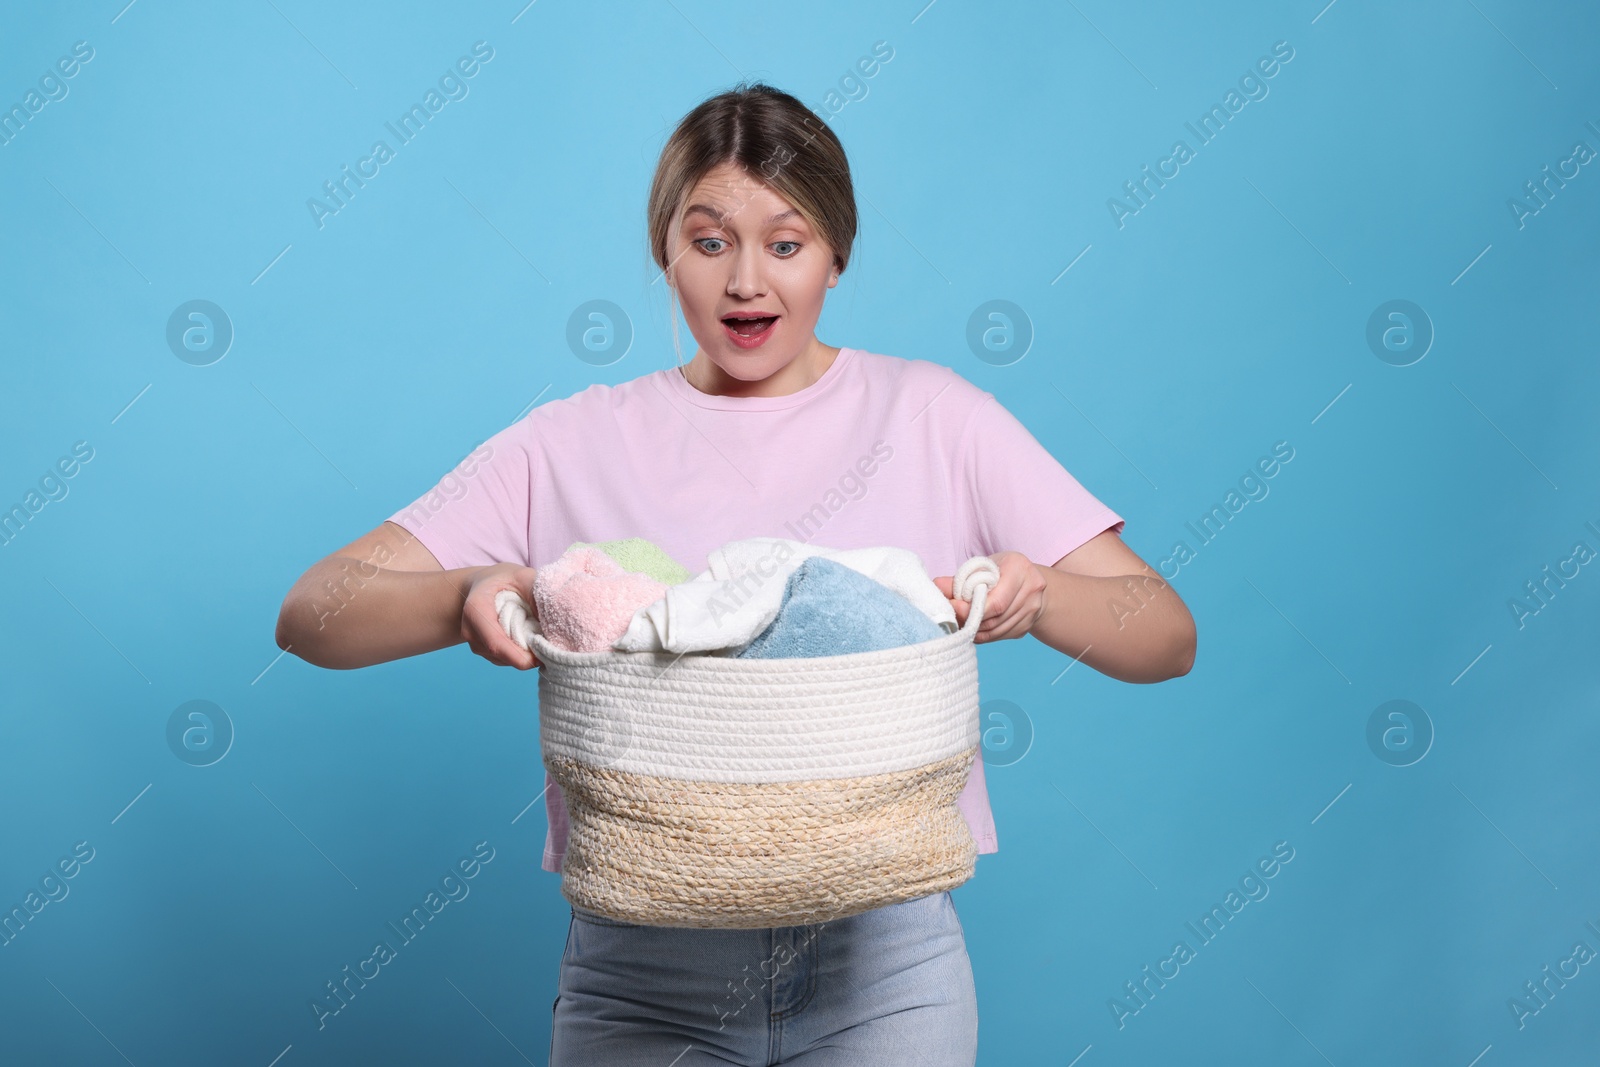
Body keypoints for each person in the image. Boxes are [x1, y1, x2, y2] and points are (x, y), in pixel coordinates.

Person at [276, 81, 1195, 1066]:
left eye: (786, 243)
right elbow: (312, 613)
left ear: (838, 254)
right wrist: (464, 594)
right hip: (640, 978)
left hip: (884, 973)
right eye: (709, 241)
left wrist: (1042, 594)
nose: (746, 281)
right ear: (665, 253)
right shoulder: (572, 441)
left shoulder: (935, 416)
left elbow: (1163, 632)